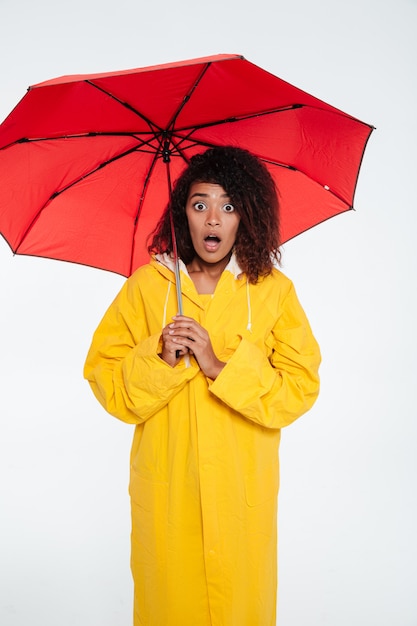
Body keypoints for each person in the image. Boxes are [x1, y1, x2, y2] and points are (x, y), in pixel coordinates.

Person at [84, 146, 321, 626]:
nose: (213, 219)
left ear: (246, 216)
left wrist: (218, 365)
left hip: (240, 497)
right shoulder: (147, 289)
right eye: (200, 204)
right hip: (168, 495)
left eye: (228, 206)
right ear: (182, 214)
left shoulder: (273, 292)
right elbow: (106, 380)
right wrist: (161, 356)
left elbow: (299, 386)